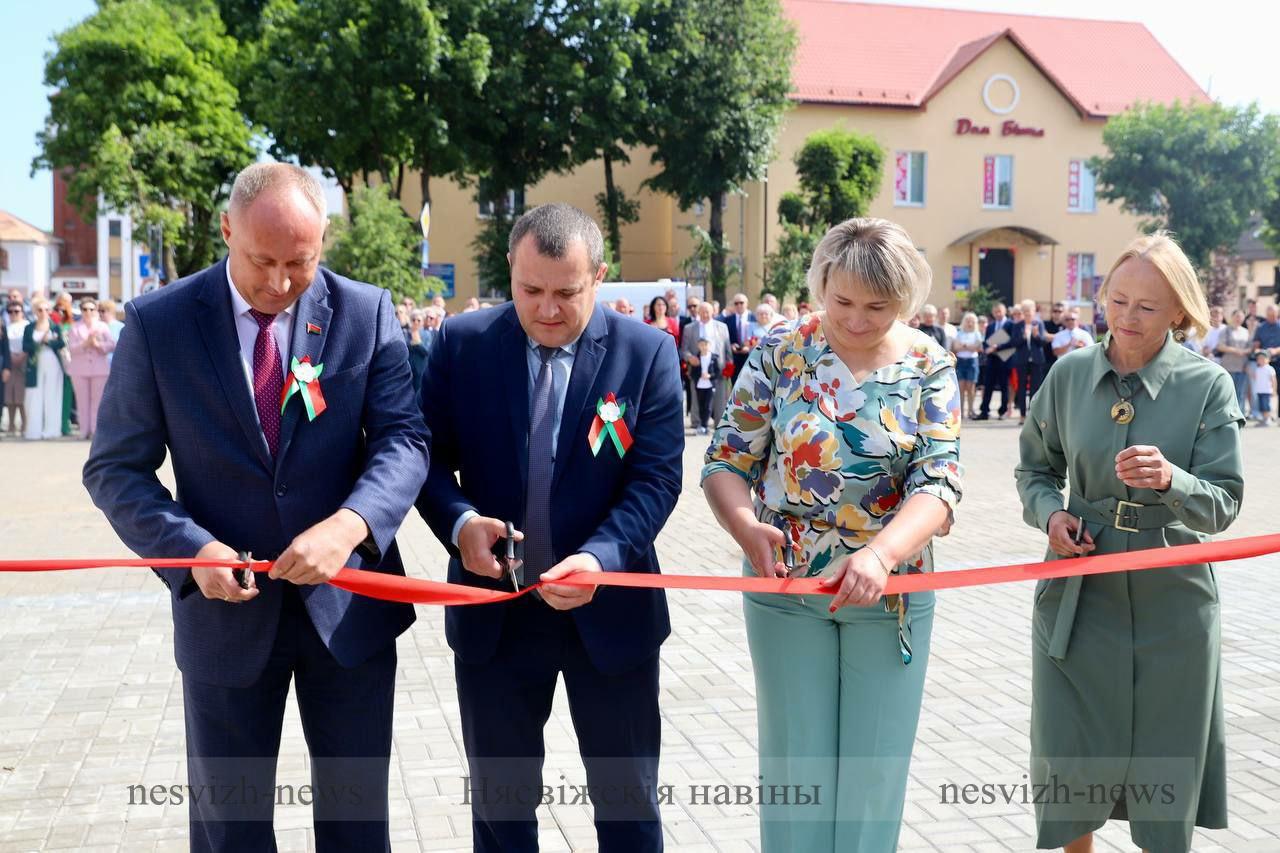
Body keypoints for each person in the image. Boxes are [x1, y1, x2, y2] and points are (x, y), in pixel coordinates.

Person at [82, 163, 429, 853]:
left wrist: (351, 523)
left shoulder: (365, 312)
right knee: (230, 829)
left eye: (299, 262)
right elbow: (115, 468)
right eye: (260, 260)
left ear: (325, 238)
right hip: (223, 615)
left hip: (348, 611)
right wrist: (191, 550)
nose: (278, 283)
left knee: (359, 825)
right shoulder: (160, 323)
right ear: (225, 230)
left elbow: (405, 438)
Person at [416, 203, 681, 852]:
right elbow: (420, 459)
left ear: (600, 276)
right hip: (496, 615)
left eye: (567, 292)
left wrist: (601, 556)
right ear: (510, 270)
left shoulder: (645, 354)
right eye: (530, 290)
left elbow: (656, 479)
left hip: (610, 613)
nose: (548, 308)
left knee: (628, 807)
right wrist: (460, 522)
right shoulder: (462, 345)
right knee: (502, 813)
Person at [703, 217, 961, 851]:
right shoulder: (781, 350)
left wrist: (881, 553)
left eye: (879, 307)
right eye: (841, 300)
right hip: (786, 587)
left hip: (891, 591)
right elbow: (725, 461)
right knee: (797, 770)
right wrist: (745, 528)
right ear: (820, 283)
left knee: (874, 773)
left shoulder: (930, 361)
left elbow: (941, 483)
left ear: (906, 301)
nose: (856, 319)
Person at [1015, 232, 1243, 853]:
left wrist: (1174, 480)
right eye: (1117, 300)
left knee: (1166, 756)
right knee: (1071, 752)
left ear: (1179, 311)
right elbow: (1034, 468)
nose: (1127, 318)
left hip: (1173, 600)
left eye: (1146, 306)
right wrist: (1049, 517)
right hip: (1078, 593)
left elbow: (1224, 503)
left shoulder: (1208, 386)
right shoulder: (1067, 375)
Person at [65, 298, 115, 439]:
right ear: (81, 311)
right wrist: (85, 344)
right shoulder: (74, 327)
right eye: (85, 309)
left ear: (96, 310)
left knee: (97, 401)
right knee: (82, 401)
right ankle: (83, 431)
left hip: (99, 369)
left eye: (91, 309)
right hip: (79, 369)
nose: (88, 312)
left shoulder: (103, 327)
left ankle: (95, 431)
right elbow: (71, 349)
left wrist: (98, 345)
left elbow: (112, 345)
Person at [681, 300, 731, 430]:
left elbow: (727, 349)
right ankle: (697, 423)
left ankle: (719, 424)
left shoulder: (722, 327)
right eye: (702, 312)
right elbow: (683, 349)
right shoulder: (689, 328)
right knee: (697, 395)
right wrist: (689, 357)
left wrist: (729, 366)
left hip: (717, 366)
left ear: (713, 312)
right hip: (698, 366)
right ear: (698, 313)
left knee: (720, 397)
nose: (705, 314)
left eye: (707, 312)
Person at [22, 298, 65, 440]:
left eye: (46, 309)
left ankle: (51, 430)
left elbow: (61, 343)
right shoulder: (29, 327)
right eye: (40, 310)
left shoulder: (55, 327)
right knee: (34, 396)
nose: (43, 312)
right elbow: (25, 346)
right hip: (35, 365)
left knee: (52, 395)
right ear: (35, 311)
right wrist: (39, 343)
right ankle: (34, 431)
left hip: (53, 363)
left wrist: (50, 342)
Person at [975, 303, 1014, 419]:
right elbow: (987, 342)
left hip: (1005, 359)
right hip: (992, 360)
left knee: (1004, 387)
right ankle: (984, 411)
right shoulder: (991, 326)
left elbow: (1012, 342)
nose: (997, 314)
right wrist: (985, 347)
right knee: (988, 385)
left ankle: (1003, 411)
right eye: (995, 311)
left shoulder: (1010, 324)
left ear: (1004, 311)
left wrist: (997, 347)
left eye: (999, 311)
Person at [1214, 310, 1252, 414]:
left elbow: (1250, 348)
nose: (1239, 318)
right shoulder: (1225, 330)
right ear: (1232, 317)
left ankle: (1239, 414)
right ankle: (1228, 414)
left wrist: (1244, 351)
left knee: (1241, 392)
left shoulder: (1245, 331)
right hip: (1228, 366)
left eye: (1241, 317)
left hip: (1242, 366)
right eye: (1237, 316)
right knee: (1228, 392)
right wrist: (1236, 350)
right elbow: (1220, 346)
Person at [950, 311, 982, 418]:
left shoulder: (977, 333)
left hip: (972, 362)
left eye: (972, 321)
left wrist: (964, 345)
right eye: (968, 321)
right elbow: (956, 347)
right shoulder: (959, 333)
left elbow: (976, 347)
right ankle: (961, 411)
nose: (970, 323)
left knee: (971, 387)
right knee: (961, 387)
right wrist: (969, 346)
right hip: (961, 361)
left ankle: (970, 410)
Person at [692, 336, 720, 434]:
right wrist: (700, 375)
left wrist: (709, 376)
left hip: (710, 386)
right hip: (700, 385)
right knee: (701, 406)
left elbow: (717, 372)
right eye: (702, 345)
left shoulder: (714, 357)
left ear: (709, 346)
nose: (704, 347)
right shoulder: (696, 358)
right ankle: (702, 424)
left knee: (708, 406)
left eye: (706, 345)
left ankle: (705, 425)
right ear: (698, 346)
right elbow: (692, 373)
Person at [5, 301, 26, 434]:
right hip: (9, 363)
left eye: (16, 311)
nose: (13, 314)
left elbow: (29, 344)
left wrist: (21, 357)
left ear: (22, 312)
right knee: (10, 397)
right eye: (11, 312)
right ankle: (11, 425)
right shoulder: (6, 327)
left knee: (21, 397)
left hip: (23, 363)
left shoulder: (26, 326)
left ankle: (24, 425)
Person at [721, 291, 752, 377]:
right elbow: (723, 339)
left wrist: (749, 346)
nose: (739, 305)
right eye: (736, 303)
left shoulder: (754, 319)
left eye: (741, 303)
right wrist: (730, 345)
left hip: (751, 357)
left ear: (747, 304)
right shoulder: (727, 320)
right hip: (734, 358)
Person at [1250, 350, 1275, 426]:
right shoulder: (1257, 369)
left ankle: (1268, 419)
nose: (1261, 360)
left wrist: (1274, 390)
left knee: (1266, 405)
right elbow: (1255, 378)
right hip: (1259, 391)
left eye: (1263, 358)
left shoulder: (1269, 369)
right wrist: (1249, 371)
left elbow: (1273, 380)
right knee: (1261, 405)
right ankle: (1264, 419)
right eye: (1259, 358)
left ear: (1268, 359)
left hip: (1267, 391)